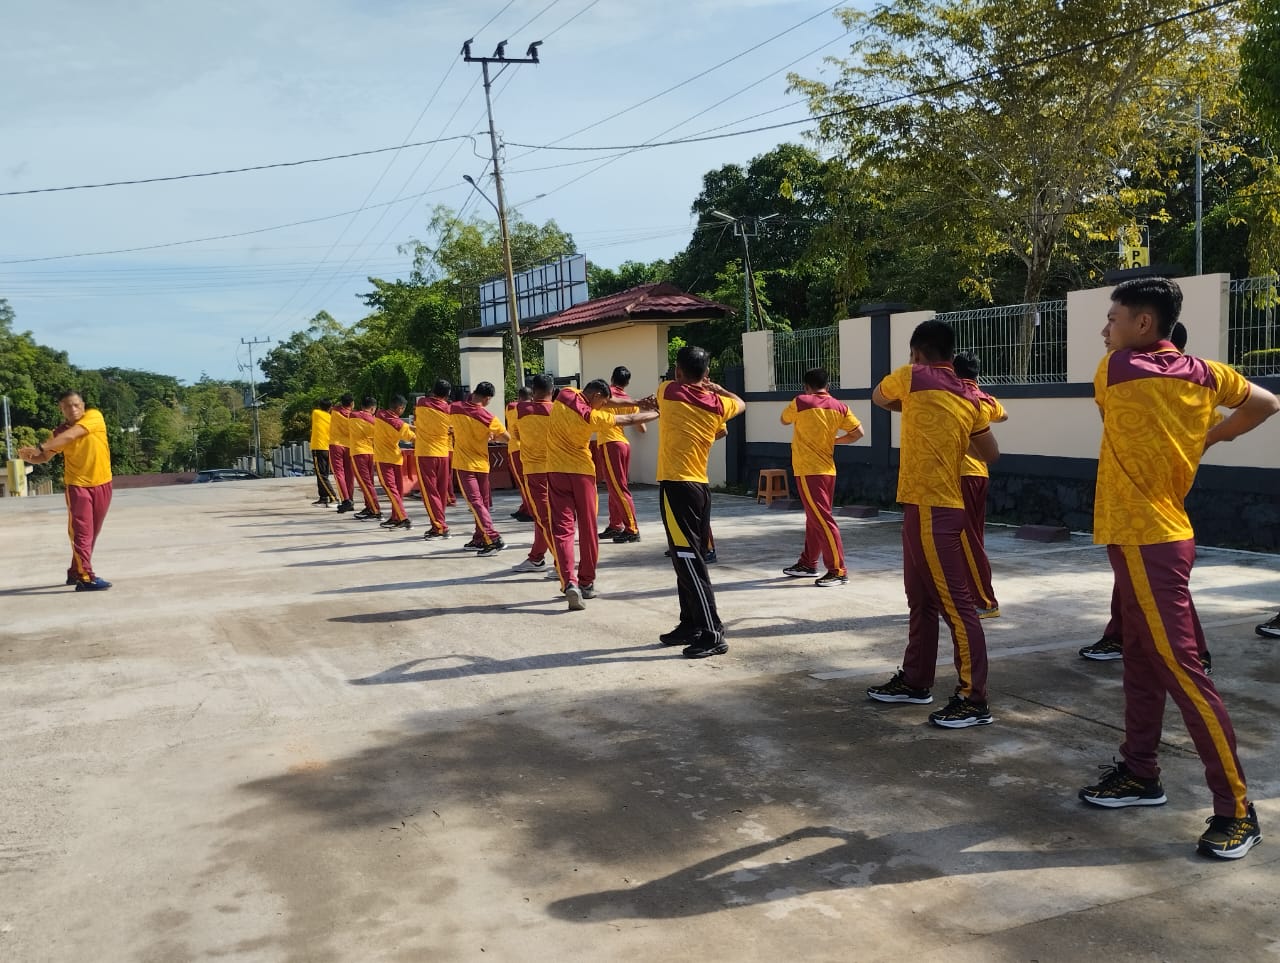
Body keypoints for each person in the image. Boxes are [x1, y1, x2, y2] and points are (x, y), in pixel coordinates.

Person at [1077, 277, 1278, 860]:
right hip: (1158, 535)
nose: (1104, 330)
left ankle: (1237, 808)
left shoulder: (1114, 371)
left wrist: (1199, 437)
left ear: (1143, 325)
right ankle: (1140, 772)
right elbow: (1267, 403)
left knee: (1183, 671)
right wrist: (1207, 438)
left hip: (1147, 540)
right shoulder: (1209, 375)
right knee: (1141, 661)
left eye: (1112, 319)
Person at [866, 320, 1000, 728]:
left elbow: (877, 397)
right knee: (921, 600)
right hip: (933, 505)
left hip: (932, 507)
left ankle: (973, 698)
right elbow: (991, 453)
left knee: (957, 607)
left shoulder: (912, 377)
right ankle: (915, 680)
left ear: (917, 353)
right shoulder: (968, 395)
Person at [1077, 321, 1212, 672]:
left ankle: (1195, 652)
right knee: (1137, 580)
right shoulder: (1193, 383)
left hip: (1154, 505)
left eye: (1113, 322)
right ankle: (1122, 635)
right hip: (1139, 504)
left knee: (1167, 588)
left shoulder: (1161, 382)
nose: (1106, 331)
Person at [651, 346, 746, 658]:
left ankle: (712, 631)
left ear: (678, 371)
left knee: (688, 560)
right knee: (685, 558)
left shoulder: (667, 390)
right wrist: (718, 389)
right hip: (699, 487)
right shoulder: (718, 404)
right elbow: (740, 405)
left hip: (678, 485)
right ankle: (690, 622)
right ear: (706, 375)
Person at [546, 380, 658, 610]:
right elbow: (627, 419)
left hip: (555, 471)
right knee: (588, 529)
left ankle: (569, 582)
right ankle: (586, 582)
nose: (604, 406)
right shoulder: (593, 417)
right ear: (596, 395)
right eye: (602, 402)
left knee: (563, 530)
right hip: (582, 474)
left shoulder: (566, 394)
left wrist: (635, 402)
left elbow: (612, 402)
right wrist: (656, 412)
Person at [18, 390, 114, 591]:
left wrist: (40, 447)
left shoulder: (94, 417)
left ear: (83, 405)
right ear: (61, 409)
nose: (73, 409)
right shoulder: (57, 434)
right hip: (77, 486)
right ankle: (85, 577)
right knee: (82, 532)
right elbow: (44, 457)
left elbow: (73, 434)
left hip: (103, 482)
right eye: (67, 406)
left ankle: (75, 571)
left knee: (92, 532)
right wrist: (29, 457)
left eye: (76, 405)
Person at [779, 367, 863, 587]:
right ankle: (808, 563)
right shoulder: (840, 406)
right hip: (828, 470)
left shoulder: (801, 401)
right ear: (828, 385)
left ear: (806, 386)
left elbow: (784, 420)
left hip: (809, 469)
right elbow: (858, 432)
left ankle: (838, 570)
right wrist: (835, 440)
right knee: (815, 518)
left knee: (822, 519)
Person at [951, 352, 1008, 617]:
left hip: (960, 473)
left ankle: (985, 601)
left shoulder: (954, 395)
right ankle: (973, 595)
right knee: (973, 537)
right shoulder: (983, 398)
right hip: (979, 474)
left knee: (967, 539)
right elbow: (1003, 416)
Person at [450, 382, 508, 556]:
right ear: (487, 398)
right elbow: (506, 438)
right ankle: (479, 537)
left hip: (464, 464)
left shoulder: (455, 408)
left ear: (474, 392)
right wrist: (491, 437)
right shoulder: (488, 416)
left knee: (475, 503)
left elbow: (448, 425)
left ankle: (491, 537)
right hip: (482, 464)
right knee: (480, 504)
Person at [510, 375, 558, 578]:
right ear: (552, 390)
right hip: (558, 468)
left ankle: (560, 561)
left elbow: (516, 435)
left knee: (544, 517)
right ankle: (537, 556)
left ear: (533, 390)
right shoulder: (559, 411)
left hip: (534, 469)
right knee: (547, 517)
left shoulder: (520, 409)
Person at [597, 365, 646, 543]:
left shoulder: (605, 394)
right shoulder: (629, 401)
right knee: (614, 486)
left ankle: (632, 529)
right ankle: (615, 525)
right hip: (623, 444)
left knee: (618, 488)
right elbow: (641, 428)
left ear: (612, 378)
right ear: (626, 383)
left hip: (610, 444)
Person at [414, 381, 453, 539]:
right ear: (448, 394)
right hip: (443, 453)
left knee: (430, 492)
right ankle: (437, 523)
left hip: (426, 453)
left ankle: (440, 527)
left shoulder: (422, 403)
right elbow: (452, 429)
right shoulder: (450, 410)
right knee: (440, 492)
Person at [374, 395, 415, 531]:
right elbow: (412, 437)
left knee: (392, 490)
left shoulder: (379, 414)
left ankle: (403, 518)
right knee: (397, 491)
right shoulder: (400, 425)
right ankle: (396, 517)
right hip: (396, 458)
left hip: (383, 459)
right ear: (400, 408)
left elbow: (395, 421)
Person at [348, 396, 382, 520]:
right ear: (373, 408)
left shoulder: (353, 416)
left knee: (365, 484)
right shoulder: (374, 420)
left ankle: (375, 510)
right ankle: (369, 506)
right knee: (369, 483)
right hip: (370, 453)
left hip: (358, 453)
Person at [506, 387, 535, 522]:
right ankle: (525, 507)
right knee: (527, 481)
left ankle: (529, 510)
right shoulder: (534, 409)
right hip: (530, 448)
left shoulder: (511, 407)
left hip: (516, 448)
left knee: (522, 482)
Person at [328, 393, 356, 513]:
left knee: (339, 473)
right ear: (352, 403)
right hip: (350, 446)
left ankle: (345, 500)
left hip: (336, 444)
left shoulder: (335, 411)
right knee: (350, 474)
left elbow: (333, 407)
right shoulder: (353, 416)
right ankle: (350, 498)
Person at [308, 400, 337, 506]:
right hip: (327, 448)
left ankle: (333, 497)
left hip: (318, 448)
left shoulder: (316, 413)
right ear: (330, 408)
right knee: (323, 475)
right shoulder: (331, 418)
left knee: (321, 475)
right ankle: (323, 498)